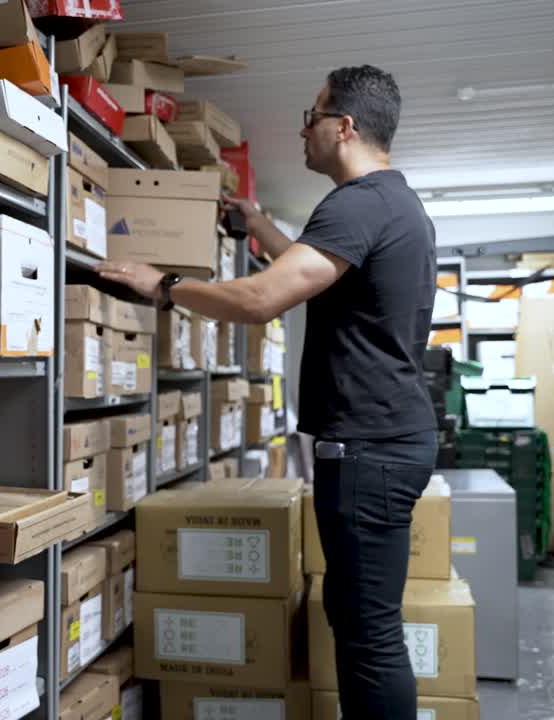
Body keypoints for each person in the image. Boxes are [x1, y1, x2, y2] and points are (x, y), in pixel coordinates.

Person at [98, 64, 437, 720]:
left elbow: (260, 298)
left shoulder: (361, 203)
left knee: (370, 637)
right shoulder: (391, 203)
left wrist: (162, 285)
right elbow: (312, 266)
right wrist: (256, 224)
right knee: (358, 617)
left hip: (371, 450)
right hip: (385, 442)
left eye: (312, 116)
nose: (302, 130)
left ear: (345, 127)